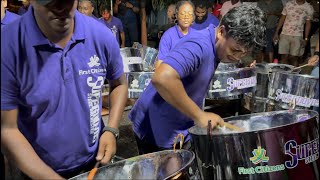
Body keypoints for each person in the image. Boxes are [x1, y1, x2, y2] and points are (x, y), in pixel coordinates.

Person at [1, 0, 128, 179]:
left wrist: (111, 129)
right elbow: (7, 129)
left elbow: (119, 84)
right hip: (37, 169)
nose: (61, 7)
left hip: (94, 162)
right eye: (49, 2)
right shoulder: (8, 44)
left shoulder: (100, 35)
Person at [129, 5, 266, 155]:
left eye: (243, 53)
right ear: (221, 32)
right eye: (235, 50)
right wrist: (199, 115)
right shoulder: (198, 46)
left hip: (177, 120)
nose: (237, 57)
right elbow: (162, 78)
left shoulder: (215, 41)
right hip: (157, 125)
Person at [273, 0, 314, 67]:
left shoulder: (309, 7)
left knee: (294, 58)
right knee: (284, 57)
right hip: (284, 34)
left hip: (298, 35)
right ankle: (283, 75)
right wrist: (276, 32)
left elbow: (308, 24)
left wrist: (306, 38)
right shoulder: (289, 4)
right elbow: (282, 19)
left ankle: (295, 76)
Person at [157, 1, 195, 65]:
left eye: (189, 14)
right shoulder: (168, 36)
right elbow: (161, 62)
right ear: (176, 15)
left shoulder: (197, 36)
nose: (186, 17)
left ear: (193, 17)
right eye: (182, 14)